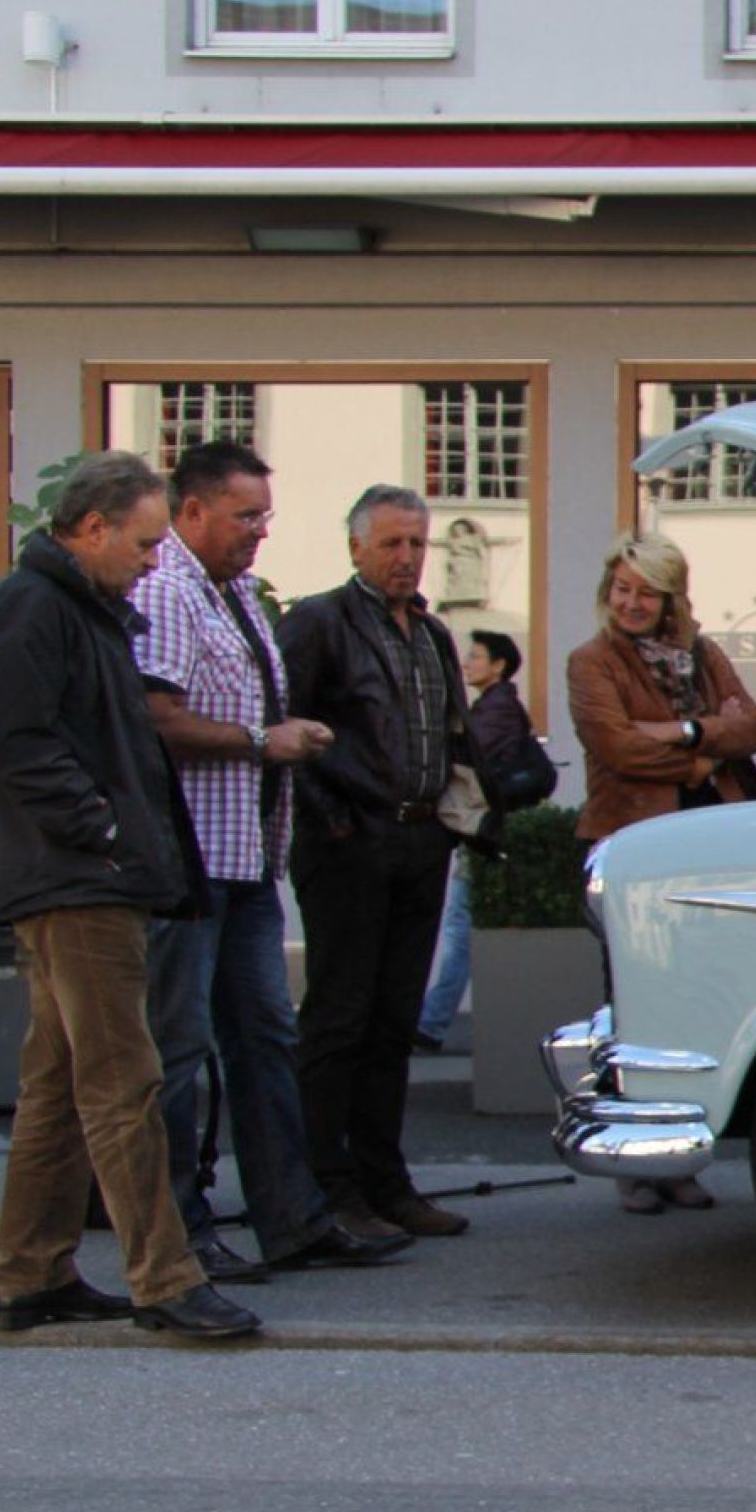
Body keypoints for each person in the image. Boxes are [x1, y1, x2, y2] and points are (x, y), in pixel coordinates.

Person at [0, 452, 258, 1339]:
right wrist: (99, 830)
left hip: (76, 874)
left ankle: (31, 1275)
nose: (153, 558)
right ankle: (165, 1277)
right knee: (121, 1081)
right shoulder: (39, 608)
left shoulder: (67, 605)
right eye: (144, 542)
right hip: (78, 880)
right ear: (92, 528)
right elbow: (15, 739)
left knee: (62, 1086)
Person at [136, 440, 408, 1281]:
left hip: (247, 860)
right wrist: (266, 741)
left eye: (265, 518)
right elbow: (157, 718)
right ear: (192, 513)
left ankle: (291, 1218)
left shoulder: (240, 594)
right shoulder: (170, 590)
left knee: (263, 1039)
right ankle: (180, 1234)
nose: (259, 532)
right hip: (189, 865)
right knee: (179, 1048)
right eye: (244, 516)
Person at [278, 485, 486, 1244]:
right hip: (349, 841)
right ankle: (328, 1188)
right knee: (338, 1018)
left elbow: (447, 734)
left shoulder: (430, 634)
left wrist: (456, 815)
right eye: (392, 544)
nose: (406, 558)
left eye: (416, 544)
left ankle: (384, 1181)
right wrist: (331, 825)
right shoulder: (318, 623)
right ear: (357, 548)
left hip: (417, 839)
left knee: (394, 1020)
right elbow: (283, 731)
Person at [566, 533, 756, 1214]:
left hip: (704, 850)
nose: (631, 602)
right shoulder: (590, 661)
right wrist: (703, 753)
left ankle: (681, 1159)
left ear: (671, 596)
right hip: (632, 848)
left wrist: (681, 734)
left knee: (693, 1002)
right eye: (623, 588)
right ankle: (634, 1163)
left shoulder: (704, 656)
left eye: (646, 590)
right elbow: (616, 747)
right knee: (632, 1003)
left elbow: (753, 728)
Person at [417, 630, 536, 1051]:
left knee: (460, 924)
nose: (467, 663)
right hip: (485, 827)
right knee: (462, 922)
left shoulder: (498, 709)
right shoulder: (492, 706)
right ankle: (432, 1019)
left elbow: (473, 758)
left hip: (485, 828)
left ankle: (431, 1023)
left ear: (499, 665)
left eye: (476, 656)